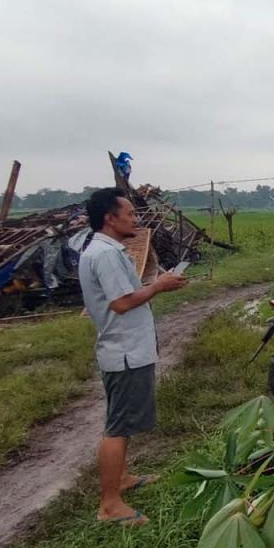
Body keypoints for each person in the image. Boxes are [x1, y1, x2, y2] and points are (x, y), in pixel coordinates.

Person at [79, 187, 186, 525]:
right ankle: (110, 504)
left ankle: (122, 478)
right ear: (110, 218)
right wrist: (159, 287)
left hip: (121, 348)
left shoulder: (103, 249)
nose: (135, 220)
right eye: (129, 214)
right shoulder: (107, 255)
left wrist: (155, 283)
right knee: (118, 426)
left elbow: (124, 295)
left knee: (120, 421)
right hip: (124, 351)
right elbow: (122, 303)